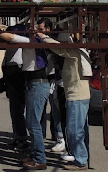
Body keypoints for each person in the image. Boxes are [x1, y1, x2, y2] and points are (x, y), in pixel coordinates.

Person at [0, 22, 49, 170]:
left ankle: (39, 159)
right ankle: (35, 155)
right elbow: (8, 39)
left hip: (37, 84)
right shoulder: (31, 40)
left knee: (33, 124)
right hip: (34, 83)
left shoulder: (31, 40)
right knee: (32, 122)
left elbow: (11, 37)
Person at [36, 29, 92, 170]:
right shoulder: (76, 50)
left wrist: (43, 37)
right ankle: (80, 157)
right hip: (77, 95)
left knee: (75, 130)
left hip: (77, 96)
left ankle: (80, 160)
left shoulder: (73, 51)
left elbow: (57, 47)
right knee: (78, 129)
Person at [1, 24, 29, 150]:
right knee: (14, 109)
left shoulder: (19, 42)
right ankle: (17, 136)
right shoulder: (10, 46)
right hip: (10, 75)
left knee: (18, 109)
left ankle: (22, 138)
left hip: (16, 74)